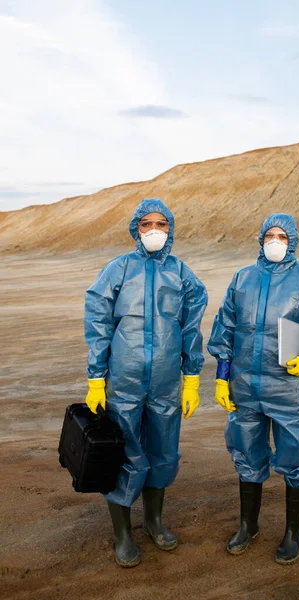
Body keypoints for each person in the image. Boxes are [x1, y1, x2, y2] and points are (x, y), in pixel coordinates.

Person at [207, 213, 299, 565]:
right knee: (246, 453)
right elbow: (225, 326)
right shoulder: (243, 279)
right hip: (246, 386)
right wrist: (223, 375)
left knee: (298, 457)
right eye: (269, 235)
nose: (275, 241)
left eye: (282, 236)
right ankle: (247, 525)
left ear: (293, 241)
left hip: (292, 388)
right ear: (260, 239)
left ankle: (292, 532)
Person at [84, 198, 208, 567]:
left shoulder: (182, 274)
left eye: (161, 224)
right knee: (121, 452)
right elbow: (99, 324)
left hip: (167, 381)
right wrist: (96, 378)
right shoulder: (118, 269)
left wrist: (191, 378)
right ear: (135, 229)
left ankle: (154, 521)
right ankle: (123, 534)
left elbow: (191, 327)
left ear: (171, 229)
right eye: (146, 224)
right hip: (123, 379)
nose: (154, 231)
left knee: (162, 452)